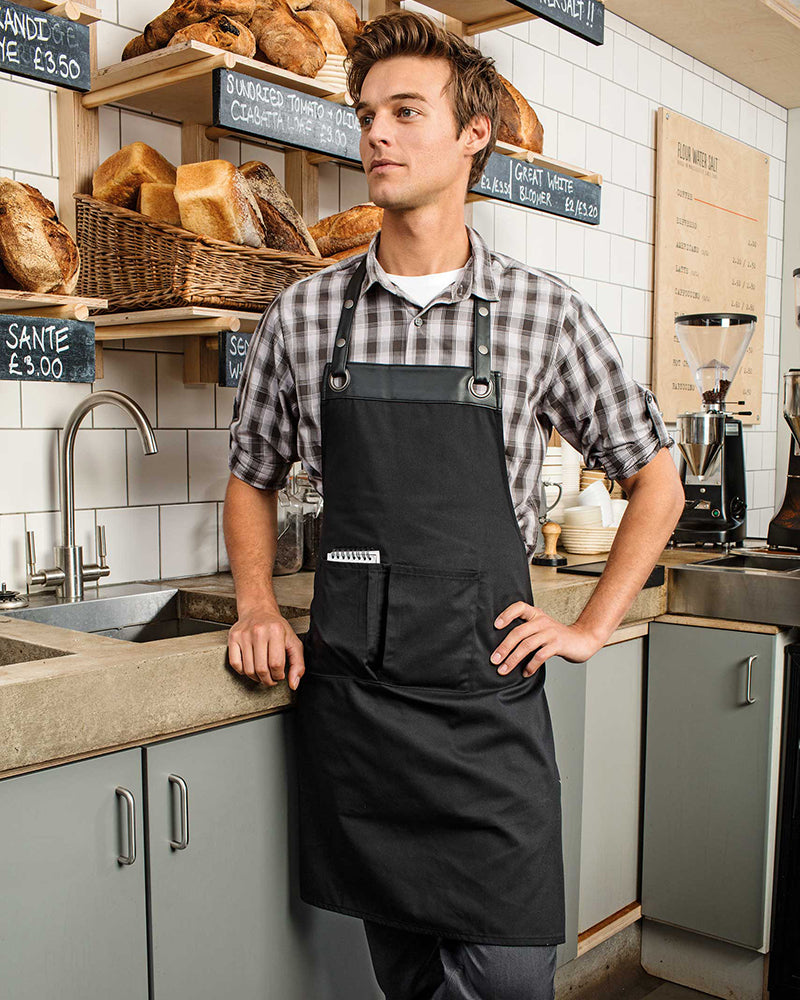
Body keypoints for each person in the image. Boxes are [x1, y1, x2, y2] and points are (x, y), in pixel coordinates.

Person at [223, 10, 685, 1000]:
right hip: (357, 710)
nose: (375, 135)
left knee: (510, 976)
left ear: (471, 133)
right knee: (407, 977)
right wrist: (255, 604)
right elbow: (251, 471)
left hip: (484, 709)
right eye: (365, 115)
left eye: (402, 111)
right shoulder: (304, 312)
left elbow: (655, 475)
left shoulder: (539, 311)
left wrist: (591, 627)